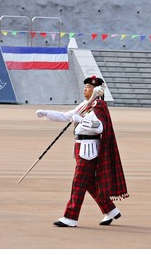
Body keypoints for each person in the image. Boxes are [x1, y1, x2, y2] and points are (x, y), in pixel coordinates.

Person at [36, 75, 129, 227]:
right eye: (85, 87)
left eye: (89, 88)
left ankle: (70, 217)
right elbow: (67, 116)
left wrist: (81, 120)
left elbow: (99, 127)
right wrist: (46, 113)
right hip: (80, 147)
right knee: (89, 183)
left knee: (78, 182)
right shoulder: (85, 105)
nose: (85, 89)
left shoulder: (98, 106)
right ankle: (110, 209)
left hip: (89, 149)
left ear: (97, 91)